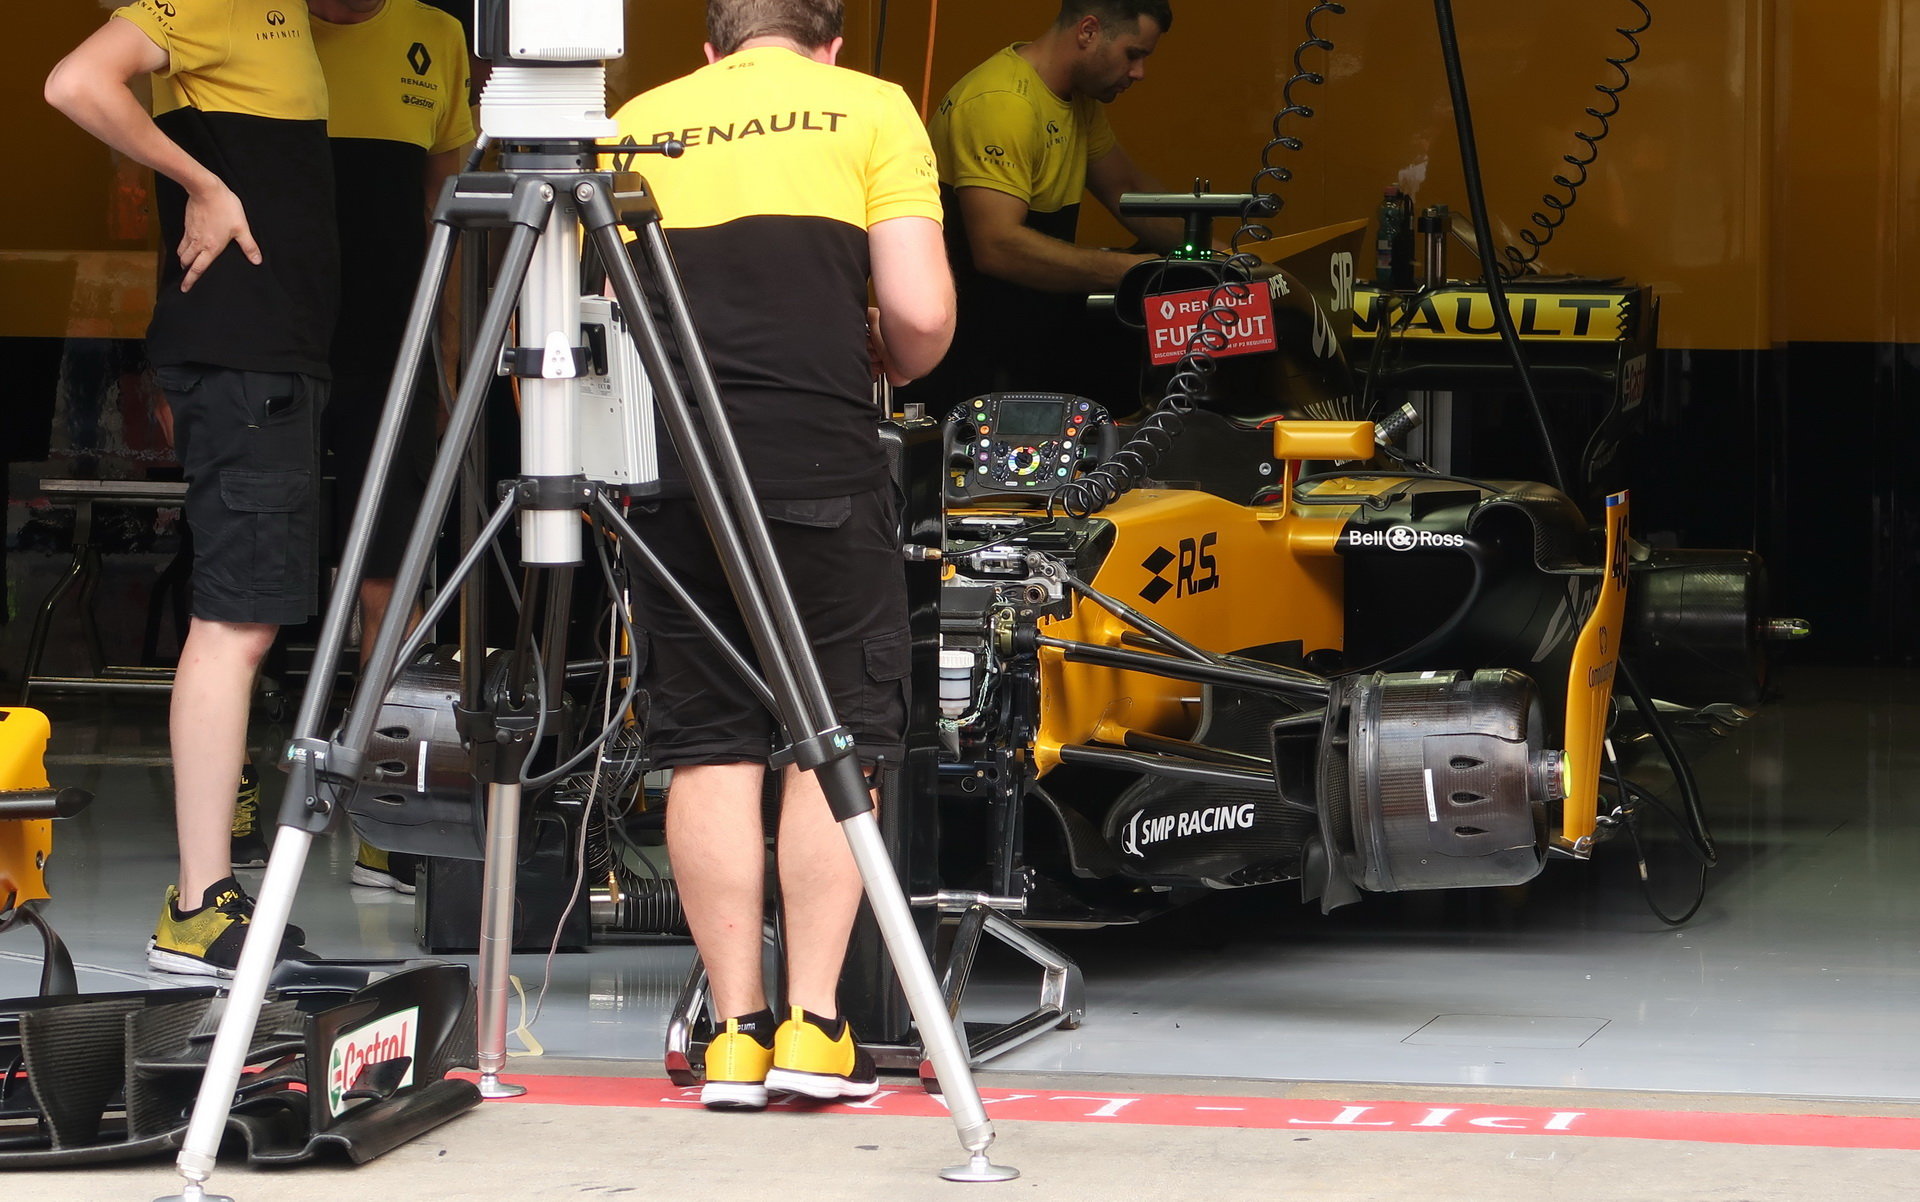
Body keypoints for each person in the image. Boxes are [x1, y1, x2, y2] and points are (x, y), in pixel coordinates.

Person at [609, 0, 953, 1110]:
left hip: (670, 470)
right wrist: (888, 350)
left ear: (711, 49)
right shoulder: (872, 107)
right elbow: (919, 313)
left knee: (708, 744)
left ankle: (735, 1038)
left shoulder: (638, 120)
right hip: (819, 468)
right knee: (833, 736)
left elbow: (582, 323)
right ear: (829, 43)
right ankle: (815, 1027)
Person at [45, 0, 338, 976]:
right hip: (244, 358)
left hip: (264, 359)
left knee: (241, 622)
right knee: (233, 624)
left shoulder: (291, 18)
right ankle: (199, 906)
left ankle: (205, 899)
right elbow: (75, 81)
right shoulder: (218, 0)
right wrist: (201, 183)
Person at [295, 0, 475, 894]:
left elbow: (449, 209)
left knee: (388, 582)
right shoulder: (254, 21)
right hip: (275, 341)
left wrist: (448, 352)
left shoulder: (434, 34)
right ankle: (247, 784)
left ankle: (379, 812)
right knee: (254, 594)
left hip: (394, 349)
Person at [908, 0, 1185, 415]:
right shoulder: (1002, 103)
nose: (1139, 72)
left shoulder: (1076, 100)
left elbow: (1126, 190)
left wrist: (1227, 260)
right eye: (1133, 54)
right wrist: (1140, 272)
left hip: (1030, 331)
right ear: (1088, 31)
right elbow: (997, 247)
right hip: (973, 353)